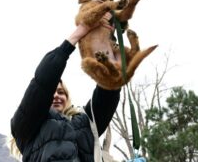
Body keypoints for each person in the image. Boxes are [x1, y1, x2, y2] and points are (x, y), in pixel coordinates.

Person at [10, 14, 121, 161]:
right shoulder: (26, 125)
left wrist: (107, 42)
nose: (56, 95)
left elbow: (107, 96)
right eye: (52, 92)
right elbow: (42, 83)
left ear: (67, 98)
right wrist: (78, 34)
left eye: (61, 92)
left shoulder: (85, 123)